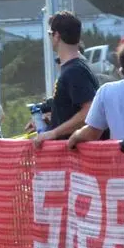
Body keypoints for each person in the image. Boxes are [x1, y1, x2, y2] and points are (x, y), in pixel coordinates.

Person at [29, 11, 99, 149]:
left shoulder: (75, 70)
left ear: (56, 36)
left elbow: (89, 111)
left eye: (50, 33)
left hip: (74, 155)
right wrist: (51, 120)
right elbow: (71, 110)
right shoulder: (72, 68)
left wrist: (54, 133)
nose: (49, 37)